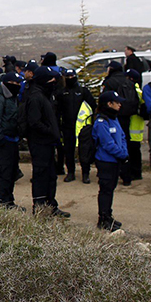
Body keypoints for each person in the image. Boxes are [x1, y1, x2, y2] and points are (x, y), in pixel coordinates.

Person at [24, 67, 67, 217]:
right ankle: (40, 208)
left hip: (48, 142)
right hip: (39, 143)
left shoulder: (45, 95)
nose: (53, 83)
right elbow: (34, 122)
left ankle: (51, 205)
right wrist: (50, 131)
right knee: (41, 175)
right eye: (50, 80)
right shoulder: (36, 97)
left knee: (50, 175)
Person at [92, 90, 129, 231]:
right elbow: (107, 144)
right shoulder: (102, 122)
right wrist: (121, 154)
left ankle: (108, 215)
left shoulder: (114, 118)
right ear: (109, 104)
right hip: (106, 161)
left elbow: (122, 137)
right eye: (117, 102)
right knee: (105, 190)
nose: (120, 104)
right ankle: (103, 219)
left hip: (116, 160)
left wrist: (124, 153)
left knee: (111, 189)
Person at [0, 72, 22, 209]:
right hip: (4, 142)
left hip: (12, 140)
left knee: (11, 172)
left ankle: (9, 200)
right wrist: (0, 138)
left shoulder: (13, 98)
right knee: (4, 173)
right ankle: (3, 201)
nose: (18, 86)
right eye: (15, 83)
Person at [58, 68, 94, 184]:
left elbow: (92, 106)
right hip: (67, 126)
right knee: (68, 151)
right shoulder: (62, 92)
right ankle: (71, 172)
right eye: (67, 77)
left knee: (84, 151)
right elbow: (57, 109)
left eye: (71, 77)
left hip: (83, 127)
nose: (69, 79)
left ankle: (85, 173)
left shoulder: (83, 91)